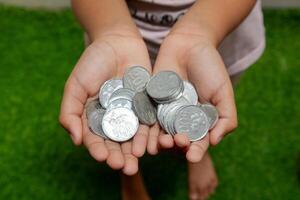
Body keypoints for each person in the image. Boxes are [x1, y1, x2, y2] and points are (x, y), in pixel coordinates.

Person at [59, 0, 265, 199]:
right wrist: (112, 31)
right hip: (114, 33)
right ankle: (129, 176)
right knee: (122, 141)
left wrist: (200, 33)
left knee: (204, 102)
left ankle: (194, 145)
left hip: (220, 30)